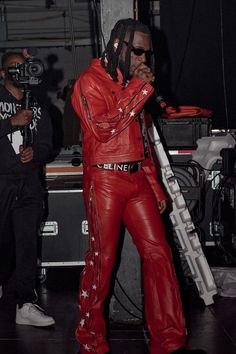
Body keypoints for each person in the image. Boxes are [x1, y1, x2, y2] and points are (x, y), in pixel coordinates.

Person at [71, 18, 206, 354]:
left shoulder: (133, 85)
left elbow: (142, 141)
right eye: (139, 51)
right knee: (102, 260)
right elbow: (104, 129)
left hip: (136, 179)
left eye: (149, 53)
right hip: (104, 179)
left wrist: (155, 188)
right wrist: (139, 90)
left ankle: (170, 341)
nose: (145, 59)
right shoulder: (89, 82)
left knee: (160, 254)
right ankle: (91, 343)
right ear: (118, 46)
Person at [0, 51, 55, 327]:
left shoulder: (39, 104)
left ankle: (25, 303)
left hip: (29, 184)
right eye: (13, 68)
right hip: (1, 181)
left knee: (26, 244)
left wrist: (36, 153)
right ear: (2, 73)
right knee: (3, 243)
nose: (19, 72)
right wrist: (11, 122)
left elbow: (47, 143)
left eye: (23, 67)